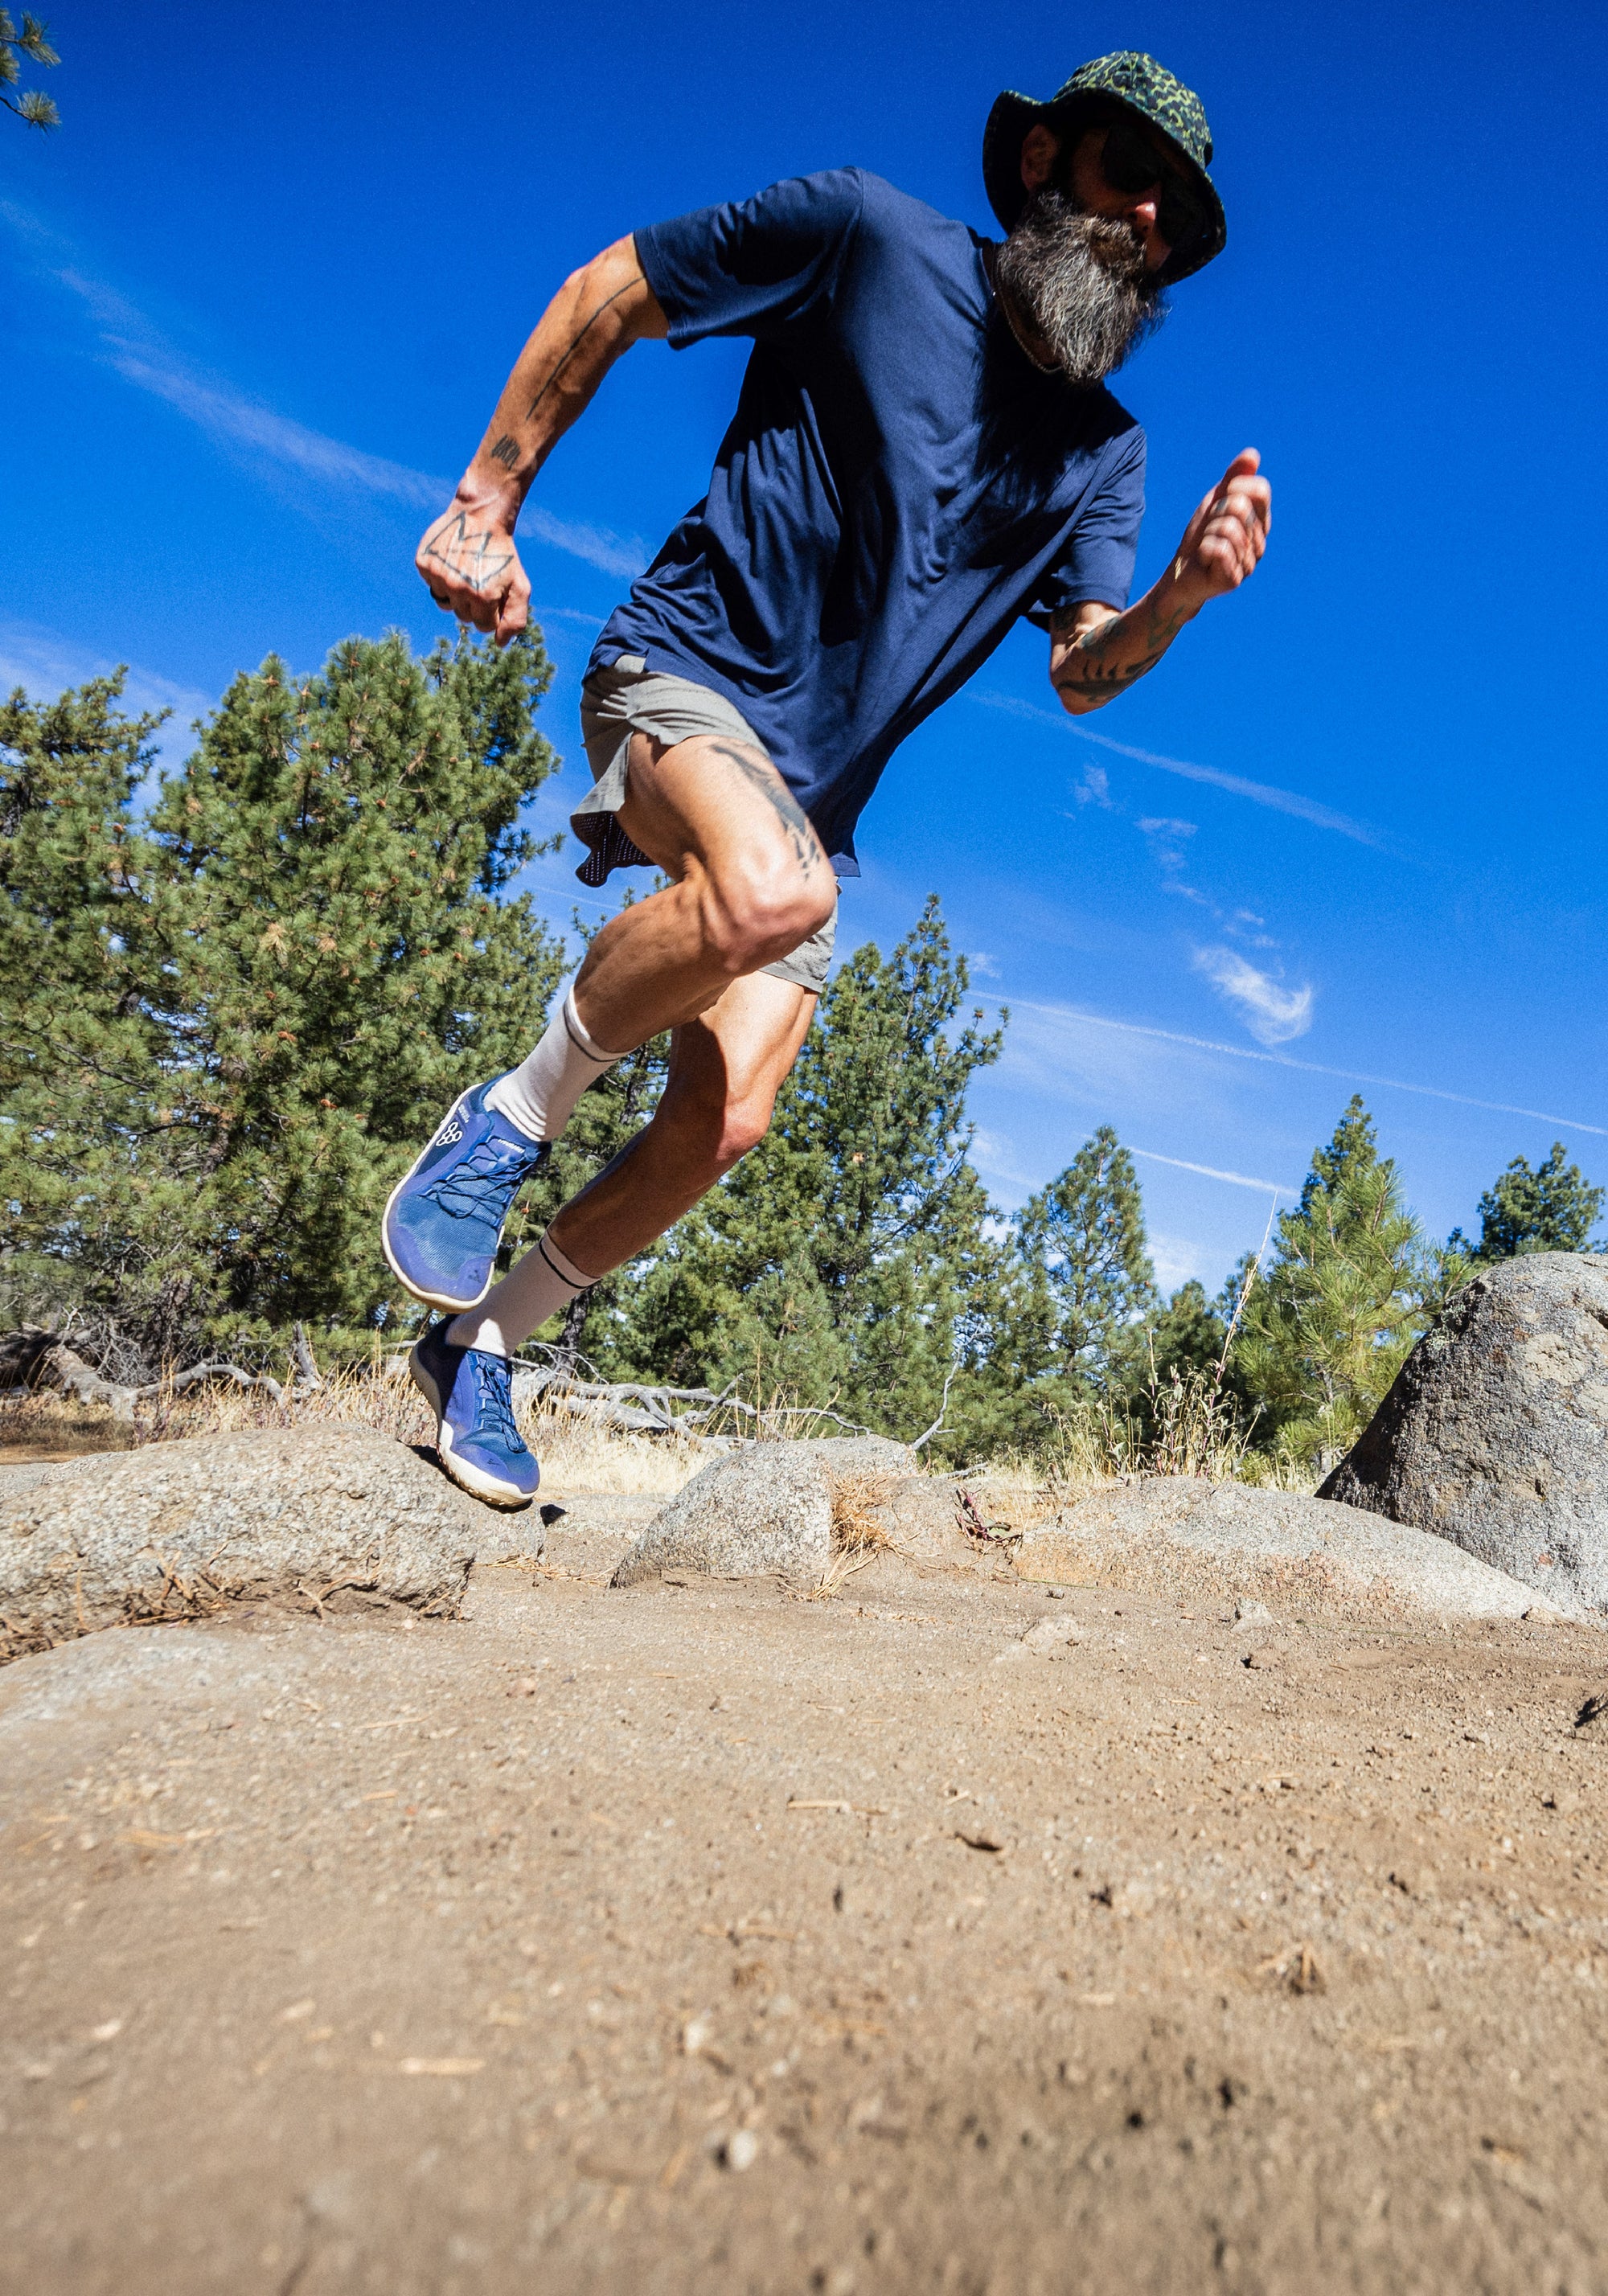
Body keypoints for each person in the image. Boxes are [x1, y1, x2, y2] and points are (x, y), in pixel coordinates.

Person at [384, 49, 1272, 1507]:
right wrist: (488, 501)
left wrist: (1176, 600)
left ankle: (480, 1343)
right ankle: (508, 1120)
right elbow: (617, 287)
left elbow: (1079, 670)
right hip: (680, 672)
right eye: (1131, 175)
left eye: (1176, 216)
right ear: (1042, 163)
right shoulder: (867, 235)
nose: (1148, 221)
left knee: (725, 1119)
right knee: (771, 891)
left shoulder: (1106, 454)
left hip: (807, 815)